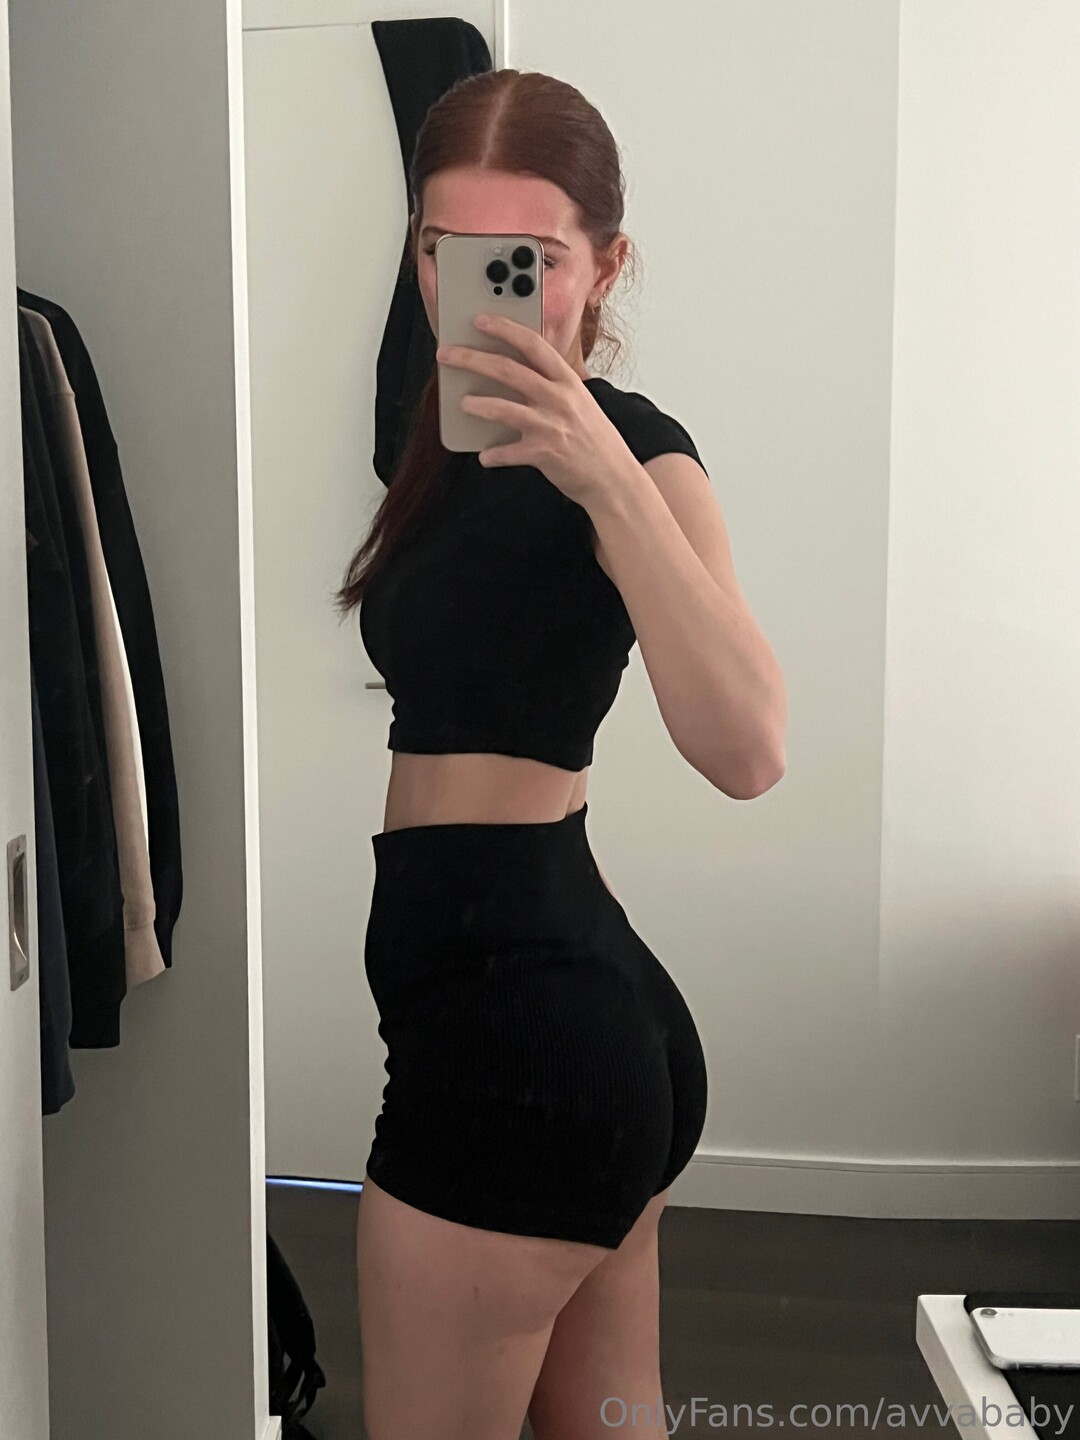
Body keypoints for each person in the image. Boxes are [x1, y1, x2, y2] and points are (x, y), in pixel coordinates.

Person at [332, 67, 787, 1440]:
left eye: (528, 255)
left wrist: (600, 473)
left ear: (604, 265)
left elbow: (749, 747)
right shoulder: (439, 441)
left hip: (514, 1052)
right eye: (445, 249)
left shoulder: (643, 456)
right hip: (549, 1017)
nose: (477, 286)